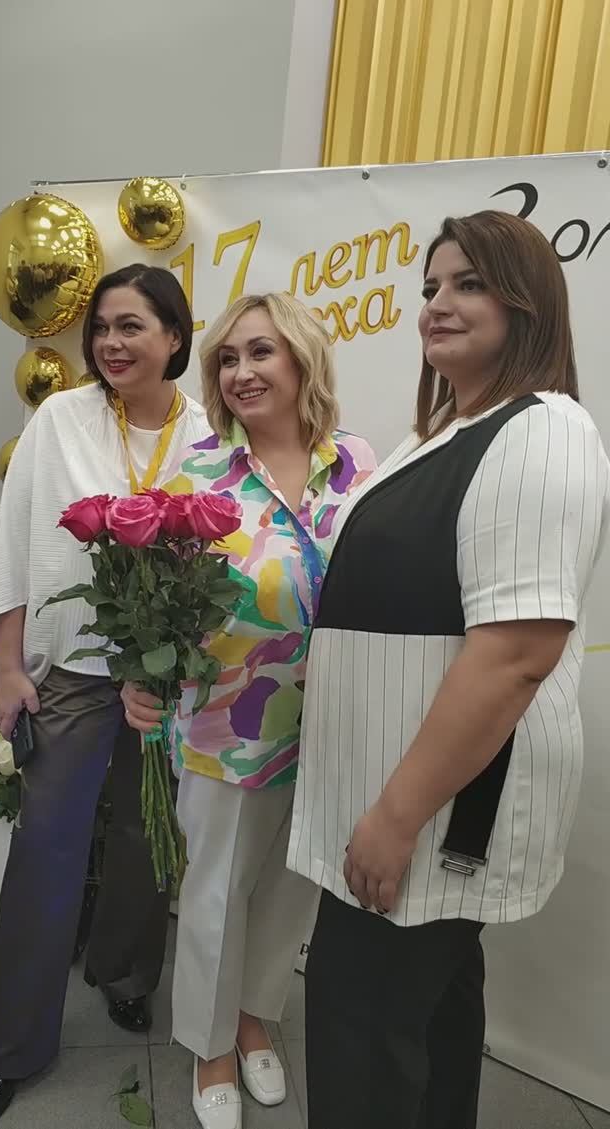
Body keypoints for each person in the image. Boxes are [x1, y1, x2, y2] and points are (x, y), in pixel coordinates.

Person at [286, 211, 610, 1129]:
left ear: (528, 302)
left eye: (469, 283)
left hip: (431, 812)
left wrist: (395, 817)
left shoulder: (542, 430)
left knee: (363, 1035)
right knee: (426, 1019)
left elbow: (514, 656)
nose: (437, 302)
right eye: (430, 285)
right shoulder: (442, 436)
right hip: (401, 800)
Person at [121, 292, 376, 1129]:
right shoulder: (195, 476)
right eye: (227, 359)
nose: (240, 372)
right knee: (217, 892)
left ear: (302, 357)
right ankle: (209, 1043)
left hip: (333, 726)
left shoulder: (358, 464)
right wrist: (138, 679)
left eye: (260, 352)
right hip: (227, 725)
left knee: (294, 887)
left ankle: (255, 1012)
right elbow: (150, 608)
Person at [0, 264, 210, 1128]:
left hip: (163, 680)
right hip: (69, 672)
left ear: (174, 336)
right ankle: (8, 1049)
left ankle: (124, 973)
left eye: (131, 325)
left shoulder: (209, 431)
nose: (111, 342)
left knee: (149, 838)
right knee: (44, 850)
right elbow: (17, 542)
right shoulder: (59, 419)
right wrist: (8, 664)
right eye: (102, 327)